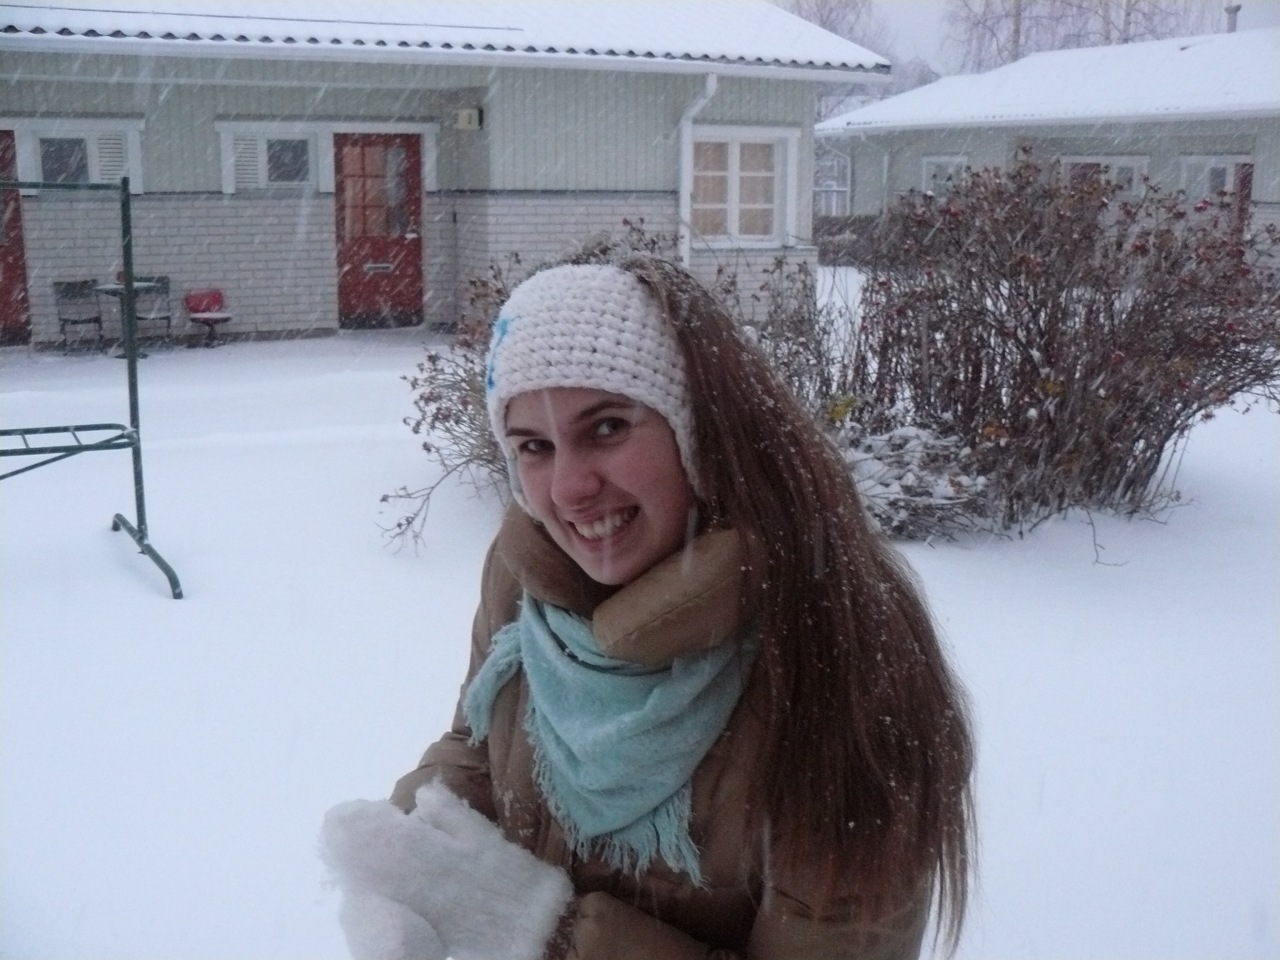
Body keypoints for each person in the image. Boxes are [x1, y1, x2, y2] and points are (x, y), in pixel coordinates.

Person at [322, 253, 976, 960]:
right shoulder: (526, 575)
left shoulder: (845, 656)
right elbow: (479, 742)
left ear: (700, 430)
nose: (568, 489)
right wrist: (416, 853)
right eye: (534, 446)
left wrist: (548, 934)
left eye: (606, 427)